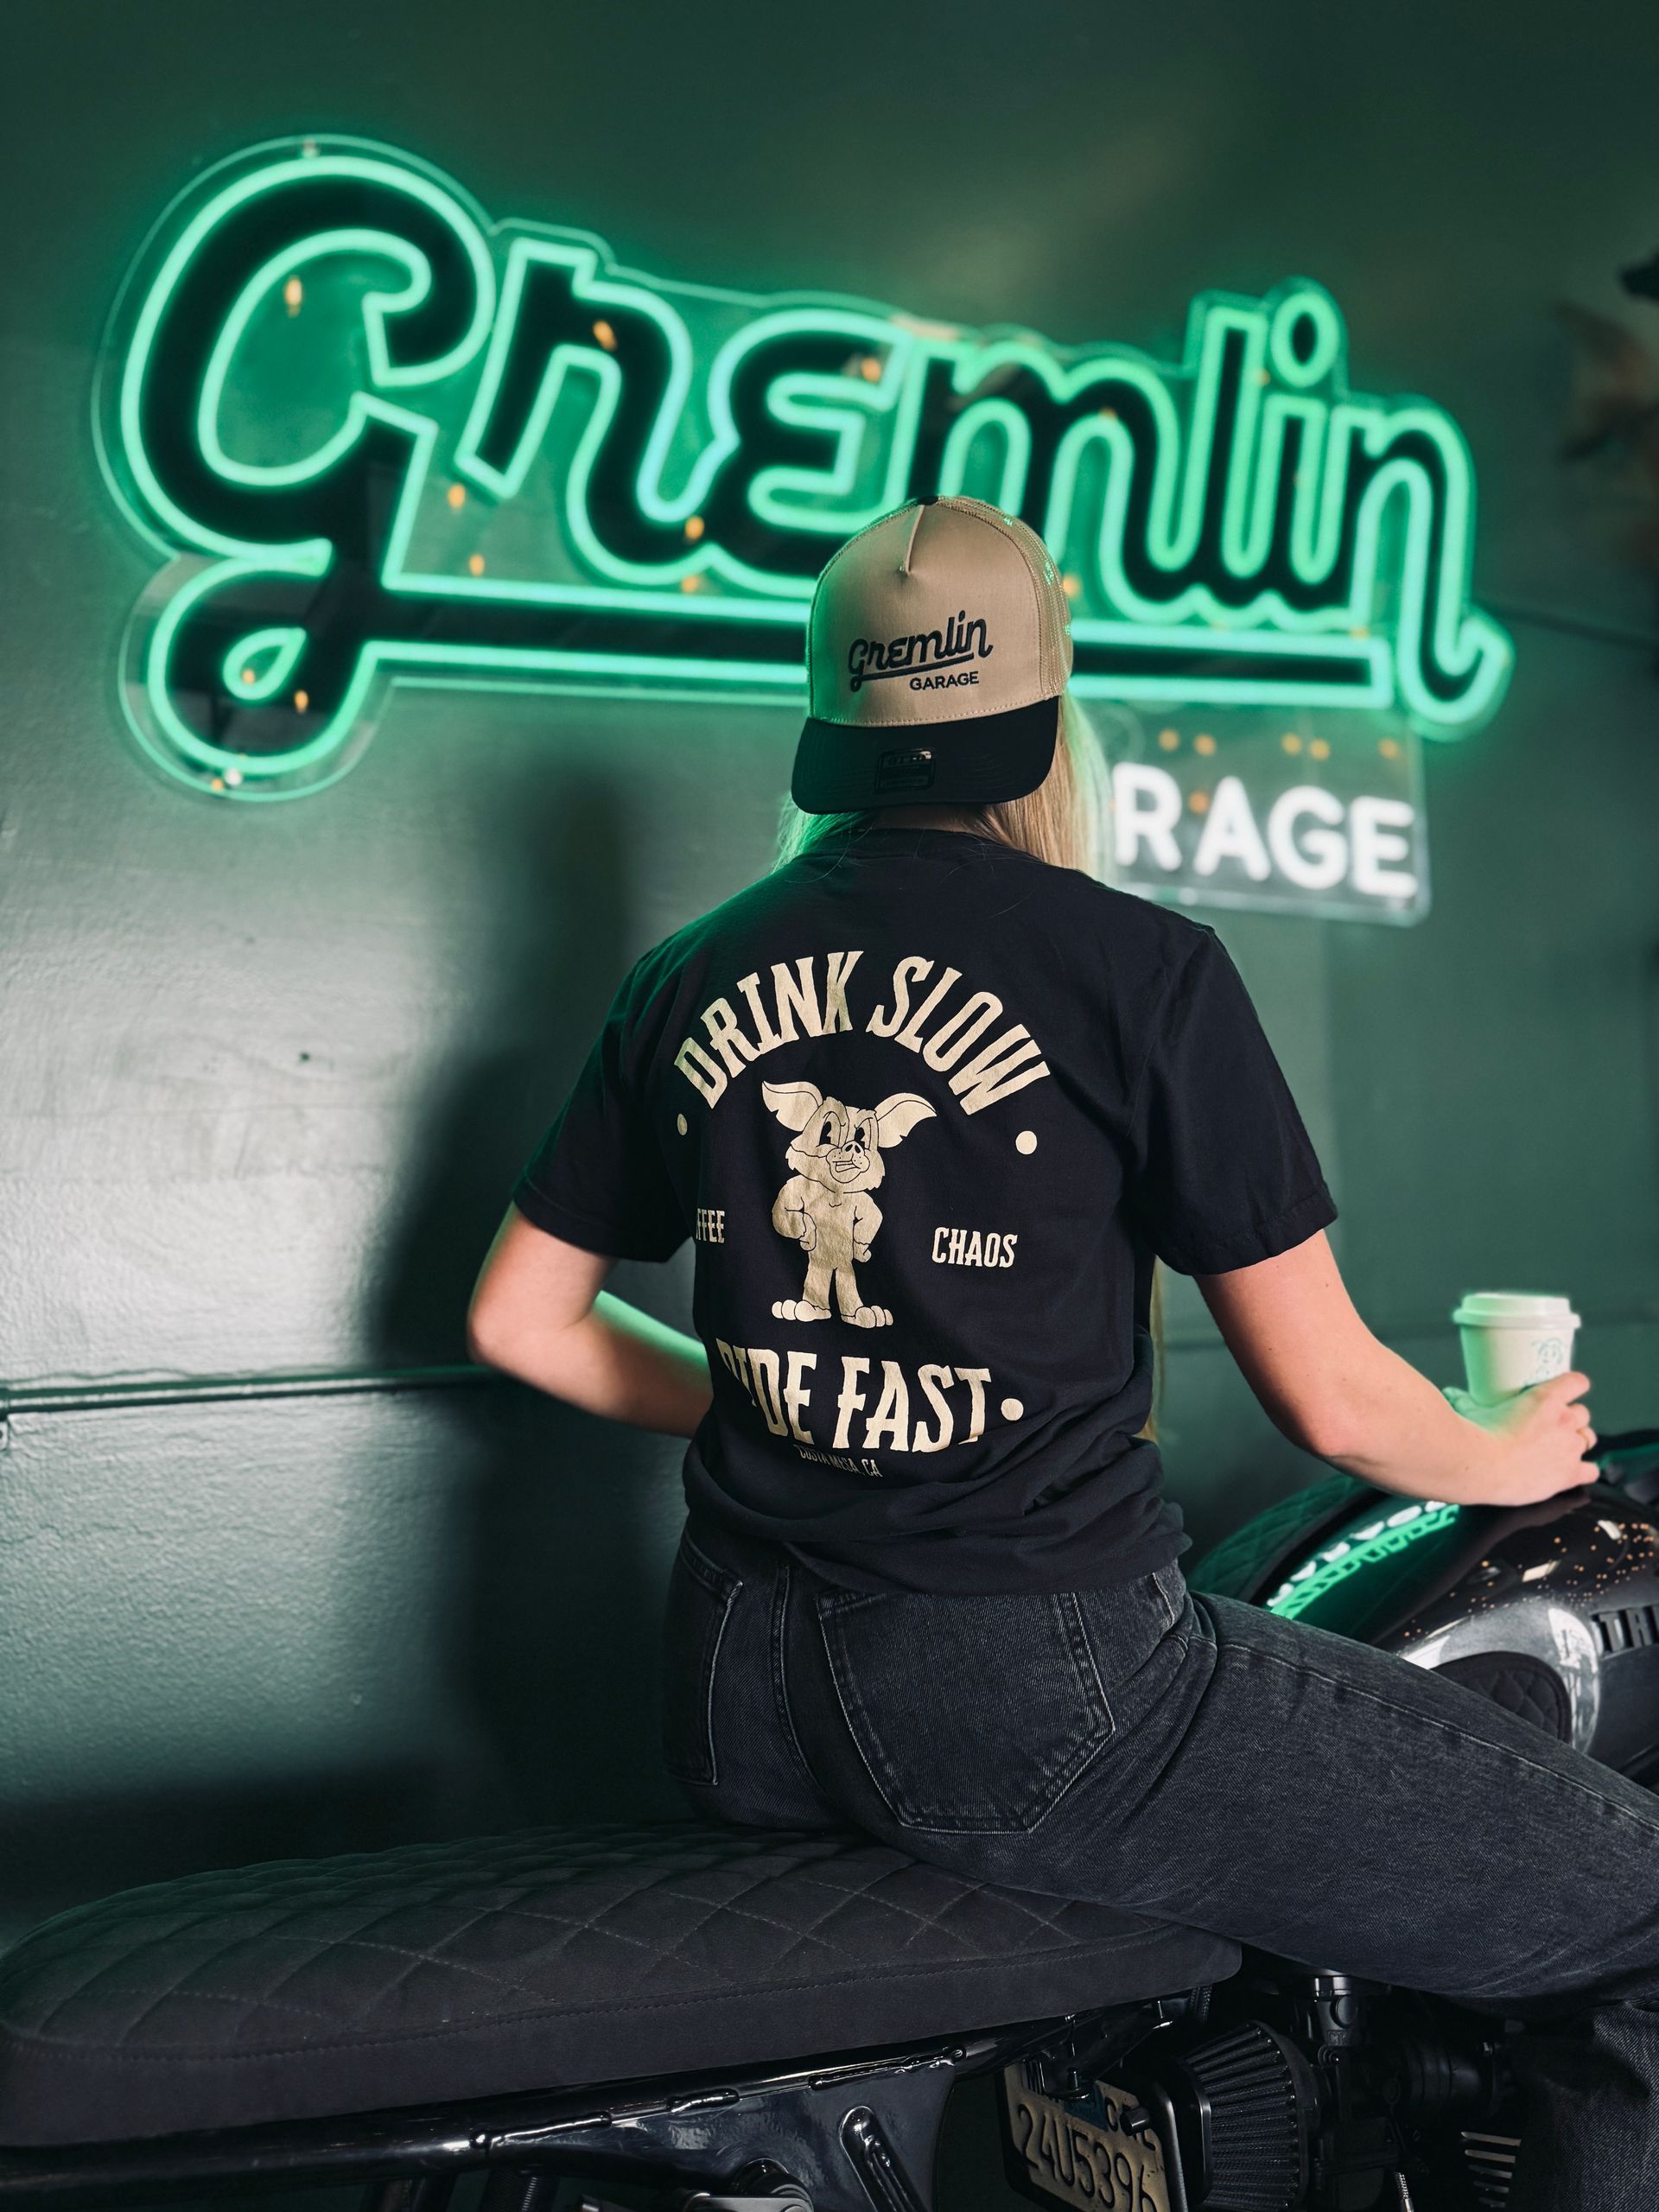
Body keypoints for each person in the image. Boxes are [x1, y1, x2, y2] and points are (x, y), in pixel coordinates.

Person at [468, 496, 1649, 2211]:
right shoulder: (1141, 969)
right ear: (1042, 717)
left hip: (733, 1689)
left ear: (836, 724)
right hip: (1030, 1700)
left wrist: (784, 1397)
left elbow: (517, 1316)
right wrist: (1517, 1458)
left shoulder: (687, 974)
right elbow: (1330, 1393)